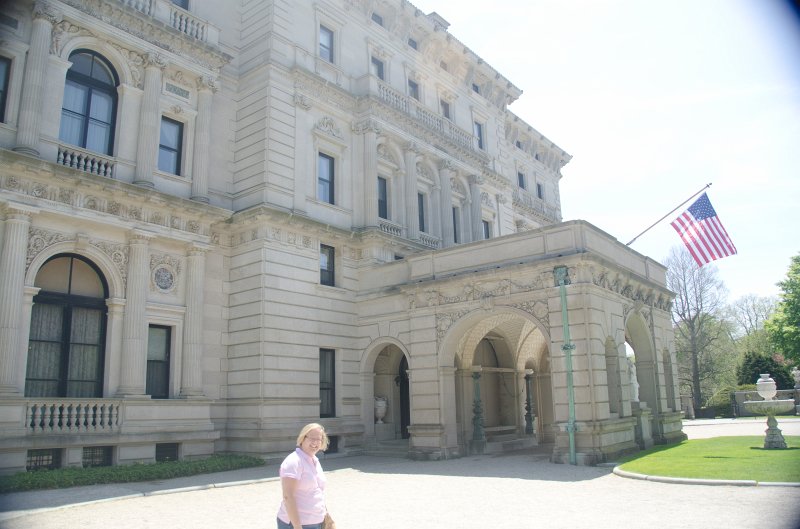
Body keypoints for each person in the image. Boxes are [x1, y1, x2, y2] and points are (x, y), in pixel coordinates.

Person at [276, 423, 330, 529]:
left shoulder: (314, 460)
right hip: (296, 524)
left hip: (316, 522)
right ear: (302, 438)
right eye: (312, 438)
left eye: (319, 439)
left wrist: (326, 515)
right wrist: (297, 526)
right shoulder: (294, 461)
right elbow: (288, 496)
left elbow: (317, 492)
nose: (315, 442)